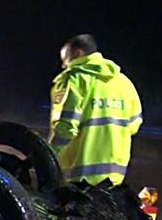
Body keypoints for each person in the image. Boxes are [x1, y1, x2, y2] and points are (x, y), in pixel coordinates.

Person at [48, 34, 142, 185]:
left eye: (64, 58)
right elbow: (134, 125)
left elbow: (65, 127)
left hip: (78, 174)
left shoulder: (74, 79)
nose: (63, 65)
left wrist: (49, 158)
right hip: (115, 175)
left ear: (77, 52)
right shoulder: (124, 83)